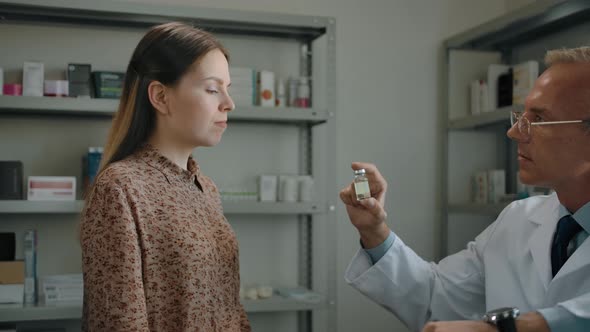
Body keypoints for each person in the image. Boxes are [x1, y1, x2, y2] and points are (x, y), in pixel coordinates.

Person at [340, 46, 590, 332]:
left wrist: (511, 328)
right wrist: (375, 232)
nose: (514, 132)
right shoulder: (518, 219)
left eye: (540, 119)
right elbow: (434, 297)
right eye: (521, 116)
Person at [80, 22, 251, 331]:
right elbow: (120, 323)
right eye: (213, 89)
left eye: (227, 89)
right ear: (160, 96)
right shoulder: (120, 188)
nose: (229, 103)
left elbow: (228, 308)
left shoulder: (206, 187)